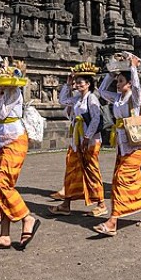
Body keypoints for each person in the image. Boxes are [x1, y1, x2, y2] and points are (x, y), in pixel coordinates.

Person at [94, 54, 141, 235]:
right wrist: (111, 72)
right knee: (127, 179)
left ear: (129, 83)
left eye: (121, 81)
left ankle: (113, 220)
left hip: (136, 144)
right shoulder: (117, 98)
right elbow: (100, 90)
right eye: (118, 81)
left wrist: (132, 68)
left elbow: (137, 87)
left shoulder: (134, 97)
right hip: (123, 144)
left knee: (123, 178)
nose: (118, 83)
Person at [0, 60, 39, 250]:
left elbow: (1, 112)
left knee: (3, 183)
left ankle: (26, 217)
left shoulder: (13, 92)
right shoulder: (2, 92)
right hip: (0, 139)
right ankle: (4, 235)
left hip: (14, 140)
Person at [49, 66, 108, 217]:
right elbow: (62, 100)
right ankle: (66, 203)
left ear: (88, 84)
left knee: (91, 170)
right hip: (77, 139)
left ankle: (101, 203)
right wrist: (68, 84)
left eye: (81, 82)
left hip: (90, 140)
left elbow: (95, 119)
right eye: (77, 82)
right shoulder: (77, 98)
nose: (78, 85)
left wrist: (87, 137)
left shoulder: (91, 98)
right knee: (71, 169)